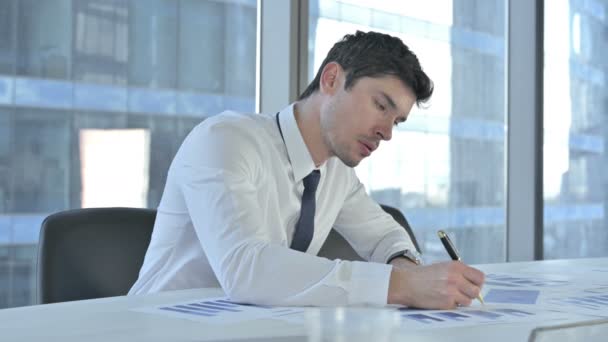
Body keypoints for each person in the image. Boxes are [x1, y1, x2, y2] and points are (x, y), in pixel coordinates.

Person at [129, 30, 485, 309]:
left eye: (397, 121)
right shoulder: (225, 140)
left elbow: (382, 236)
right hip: (157, 327)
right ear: (331, 79)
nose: (387, 132)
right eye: (380, 105)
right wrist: (404, 286)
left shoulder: (334, 175)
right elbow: (245, 269)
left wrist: (407, 267)